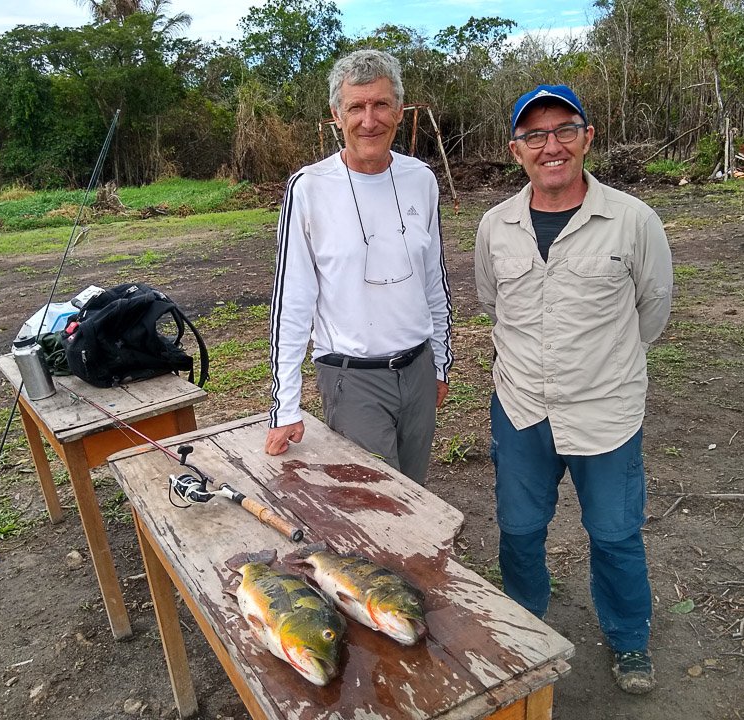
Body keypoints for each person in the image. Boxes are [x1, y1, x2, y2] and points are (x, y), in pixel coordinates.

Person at [474, 85, 673, 694]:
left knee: (615, 532)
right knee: (519, 528)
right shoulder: (495, 226)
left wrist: (597, 368)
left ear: (587, 137)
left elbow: (653, 307)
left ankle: (629, 639)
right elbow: (492, 303)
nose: (550, 146)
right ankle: (523, 626)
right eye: (534, 135)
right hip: (522, 407)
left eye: (564, 130)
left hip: (605, 413)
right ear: (517, 150)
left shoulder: (633, 220)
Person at [265, 49, 453, 484]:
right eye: (357, 107)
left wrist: (439, 364)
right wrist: (285, 406)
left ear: (400, 112)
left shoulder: (421, 179)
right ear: (337, 114)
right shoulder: (309, 189)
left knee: (416, 497)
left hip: (418, 373)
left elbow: (434, 281)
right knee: (376, 507)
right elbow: (292, 301)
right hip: (353, 381)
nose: (370, 120)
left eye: (381, 104)